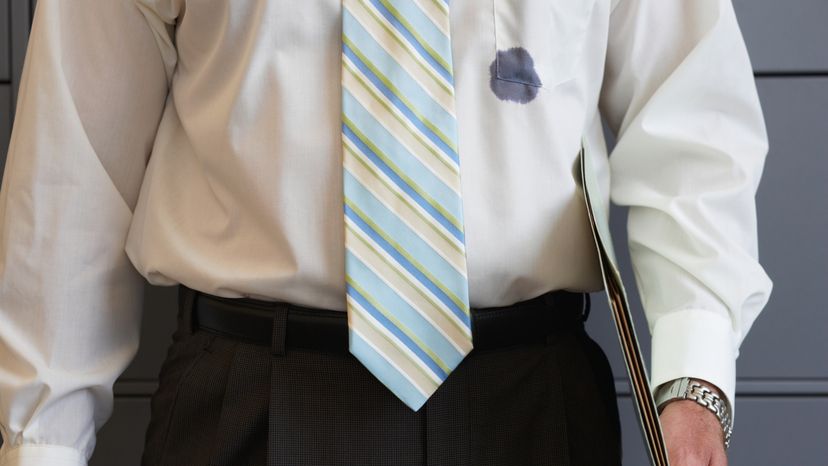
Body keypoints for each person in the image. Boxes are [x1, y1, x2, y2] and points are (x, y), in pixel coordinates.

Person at [0, 0, 772, 465]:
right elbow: (74, 166)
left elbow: (691, 117)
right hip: (249, 403)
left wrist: (693, 386)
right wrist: (42, 445)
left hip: (530, 408)